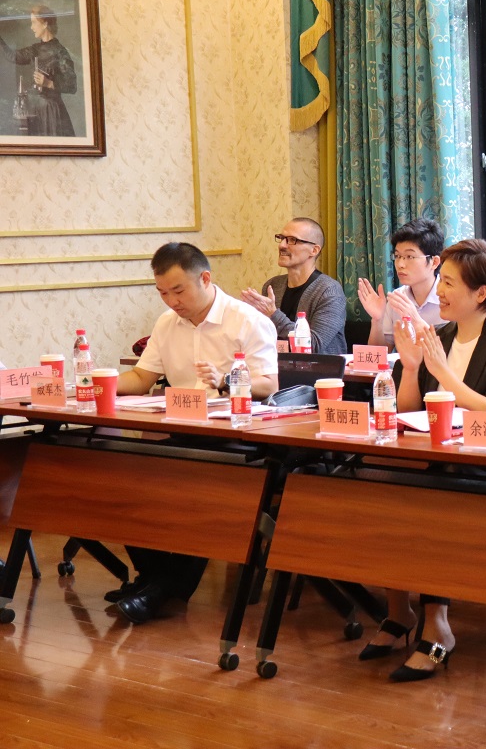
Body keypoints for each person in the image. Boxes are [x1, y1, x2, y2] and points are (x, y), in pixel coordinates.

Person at [356, 239, 486, 683]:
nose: (441, 291)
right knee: (375, 478)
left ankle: (438, 626)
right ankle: (399, 611)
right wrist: (413, 368)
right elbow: (409, 409)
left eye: (449, 283)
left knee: (429, 494)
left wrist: (442, 372)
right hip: (437, 456)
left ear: (481, 293)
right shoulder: (441, 337)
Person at [113, 242, 279, 624]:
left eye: (178, 290)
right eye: (162, 293)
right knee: (123, 481)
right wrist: (92, 383)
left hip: (234, 436)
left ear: (205, 278)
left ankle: (158, 588)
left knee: (194, 489)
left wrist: (226, 381)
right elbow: (141, 378)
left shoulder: (247, 320)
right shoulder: (166, 323)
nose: (172, 301)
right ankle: (154, 580)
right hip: (182, 430)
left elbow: (268, 385)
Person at [241, 218, 347, 354]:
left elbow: (313, 345)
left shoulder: (329, 290)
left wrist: (273, 314)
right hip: (276, 366)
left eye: (292, 240)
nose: (282, 245)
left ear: (314, 250)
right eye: (281, 238)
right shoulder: (273, 285)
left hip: (320, 367)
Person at [357, 218, 447, 350]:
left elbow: (451, 354)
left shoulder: (449, 297)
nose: (400, 264)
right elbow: (379, 355)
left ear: (434, 262)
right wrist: (377, 320)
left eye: (410, 257)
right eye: (397, 256)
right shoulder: (397, 297)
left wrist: (414, 318)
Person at [0, 5, 77, 137]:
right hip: (35, 112)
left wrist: (48, 83)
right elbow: (13, 56)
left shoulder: (60, 52)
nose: (31, 27)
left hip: (52, 114)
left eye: (34, 22)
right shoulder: (35, 49)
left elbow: (72, 85)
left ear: (45, 23)